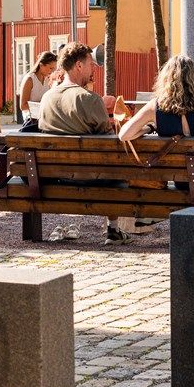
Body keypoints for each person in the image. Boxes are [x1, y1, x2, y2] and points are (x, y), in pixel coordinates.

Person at [39, 43, 131, 242]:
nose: (93, 69)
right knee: (118, 167)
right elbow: (110, 143)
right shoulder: (90, 99)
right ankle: (113, 229)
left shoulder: (46, 98)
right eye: (90, 64)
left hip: (55, 176)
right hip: (94, 177)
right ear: (79, 66)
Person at [120, 55, 194, 186]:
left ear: (165, 79)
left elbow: (124, 135)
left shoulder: (155, 106)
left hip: (182, 180)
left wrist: (150, 128)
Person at [18, 51, 59, 121]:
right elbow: (23, 106)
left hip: (44, 117)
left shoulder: (48, 79)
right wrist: (43, 104)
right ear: (41, 65)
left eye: (54, 69)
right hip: (31, 119)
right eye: (50, 68)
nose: (52, 71)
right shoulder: (29, 79)